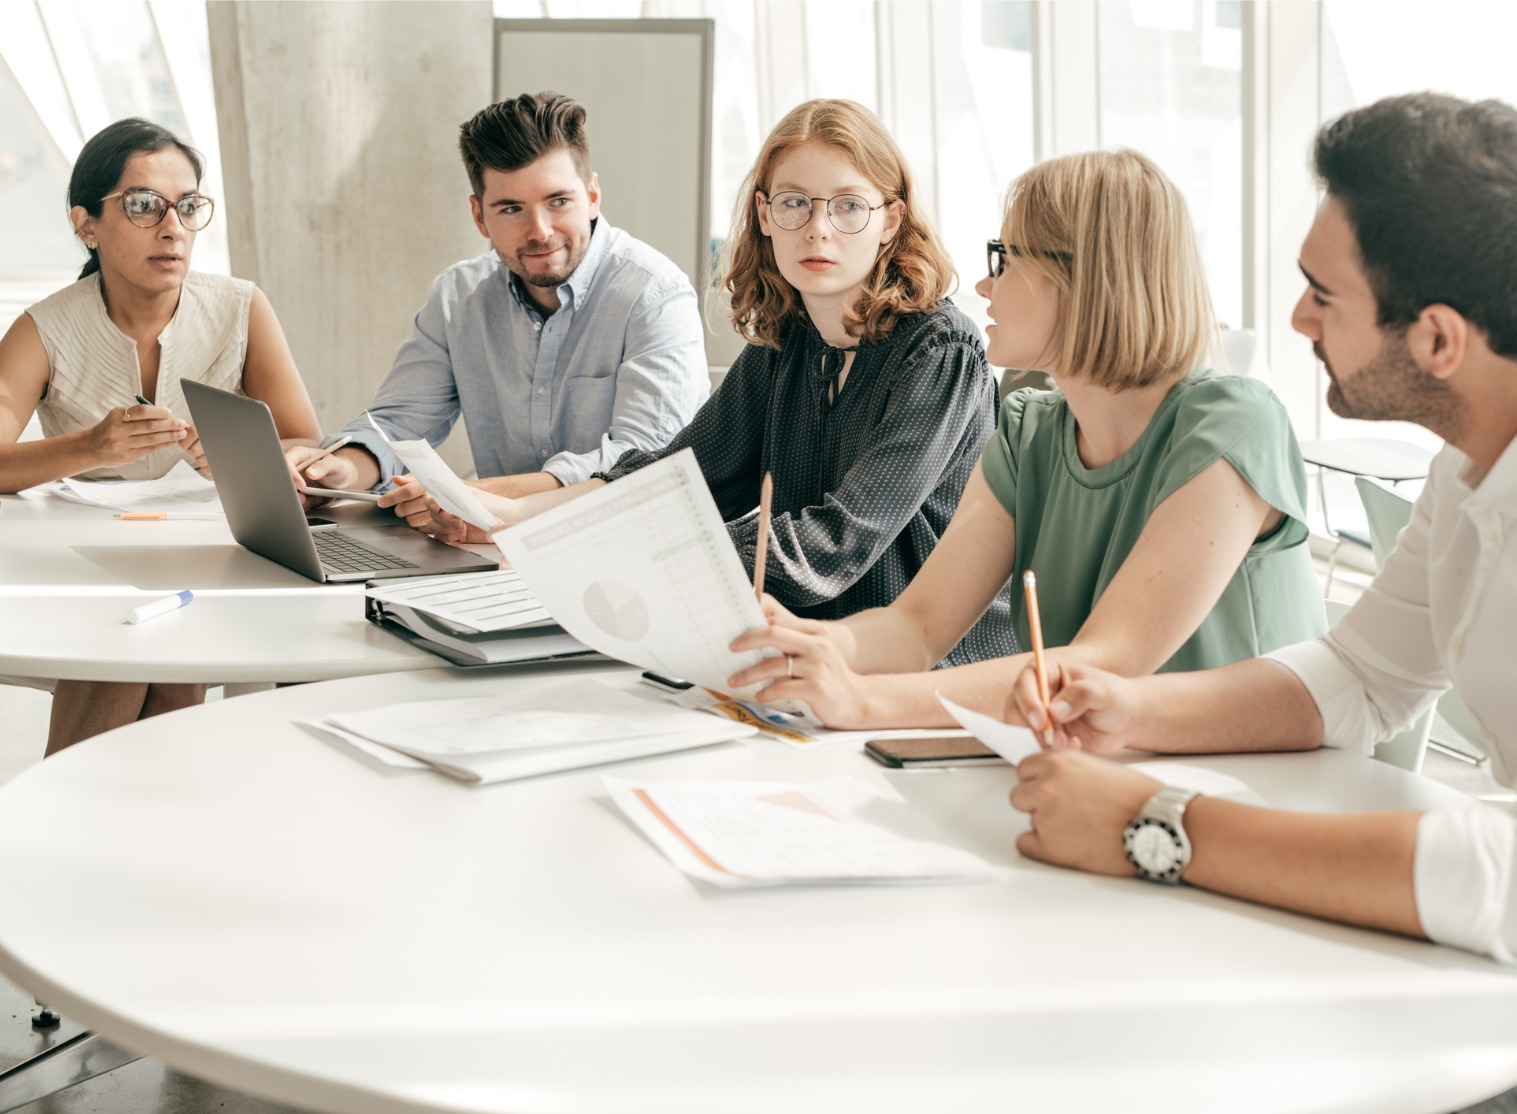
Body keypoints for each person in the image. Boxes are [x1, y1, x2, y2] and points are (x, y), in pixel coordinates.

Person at [1004, 94, 1517, 1109]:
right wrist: (1135, 708)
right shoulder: (1480, 453)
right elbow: (1364, 673)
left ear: (1439, 339)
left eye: (1322, 294)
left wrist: (1157, 824)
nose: (1295, 319)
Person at [725, 149, 1324, 726]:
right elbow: (918, 628)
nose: (985, 288)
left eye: (1004, 260)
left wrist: (861, 701)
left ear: (1085, 277)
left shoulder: (1232, 423)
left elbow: (1106, 664)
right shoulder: (1026, 431)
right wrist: (805, 643)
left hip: (1252, 788)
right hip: (1101, 769)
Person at [443, 98, 1012, 664]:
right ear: (765, 215)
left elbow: (836, 543)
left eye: (848, 207)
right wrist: (514, 519)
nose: (818, 229)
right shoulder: (786, 341)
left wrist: (604, 554)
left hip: (924, 673)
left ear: (890, 219)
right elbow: (675, 478)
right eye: (794, 203)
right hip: (795, 653)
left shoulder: (941, 352)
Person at [0, 117, 321, 755]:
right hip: (87, 561)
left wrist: (238, 462)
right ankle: (89, 820)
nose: (172, 227)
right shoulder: (45, 328)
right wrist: (89, 447)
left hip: (209, 550)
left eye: (188, 206)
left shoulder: (240, 306)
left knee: (175, 658)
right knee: (133, 652)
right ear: (85, 223)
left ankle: (121, 821)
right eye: (144, 205)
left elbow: (304, 444)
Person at [289, 90, 708, 511]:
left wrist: (470, 496)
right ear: (479, 216)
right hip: (497, 551)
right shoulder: (458, 297)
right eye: (511, 209)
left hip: (629, 545)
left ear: (593, 195)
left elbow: (646, 461)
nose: (540, 230)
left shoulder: (654, 294)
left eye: (558, 201)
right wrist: (337, 470)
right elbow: (396, 425)